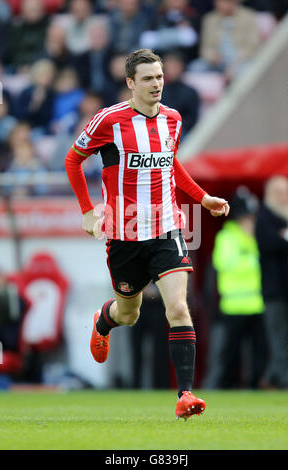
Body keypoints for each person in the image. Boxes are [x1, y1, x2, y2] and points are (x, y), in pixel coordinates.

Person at [65, 48, 230, 420]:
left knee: (177, 307)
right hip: (123, 238)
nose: (157, 84)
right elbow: (72, 159)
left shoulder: (173, 119)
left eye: (159, 77)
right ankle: (103, 320)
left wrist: (203, 199)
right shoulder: (109, 120)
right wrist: (88, 211)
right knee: (130, 314)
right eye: (148, 79)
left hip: (165, 228)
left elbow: (171, 165)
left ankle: (185, 394)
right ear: (130, 83)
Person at [210, 187, 266, 389]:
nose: (250, 222)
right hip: (233, 305)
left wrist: (249, 257)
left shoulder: (256, 237)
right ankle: (228, 387)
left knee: (260, 351)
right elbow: (225, 264)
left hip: (257, 304)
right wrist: (253, 260)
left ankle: (255, 386)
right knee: (231, 353)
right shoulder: (226, 237)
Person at [255, 176, 288, 388]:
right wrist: (287, 240)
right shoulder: (264, 218)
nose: (284, 197)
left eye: (286, 191)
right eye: (278, 192)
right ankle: (283, 380)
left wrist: (287, 238)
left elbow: (284, 243)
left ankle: (273, 378)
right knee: (279, 337)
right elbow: (273, 244)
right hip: (275, 290)